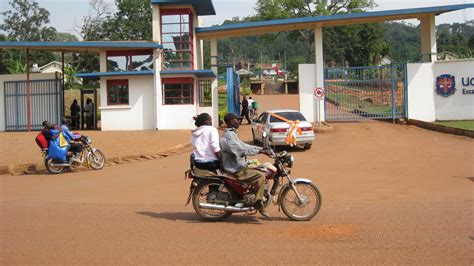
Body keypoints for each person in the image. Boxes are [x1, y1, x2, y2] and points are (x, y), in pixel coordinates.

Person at [220, 113, 272, 217]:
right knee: (260, 176)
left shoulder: (232, 134)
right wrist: (261, 151)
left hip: (238, 165)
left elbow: (243, 145)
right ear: (230, 122)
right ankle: (258, 203)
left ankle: (254, 195)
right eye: (236, 120)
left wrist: (260, 149)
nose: (239, 122)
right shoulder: (229, 135)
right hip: (235, 168)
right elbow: (240, 149)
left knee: (261, 167)